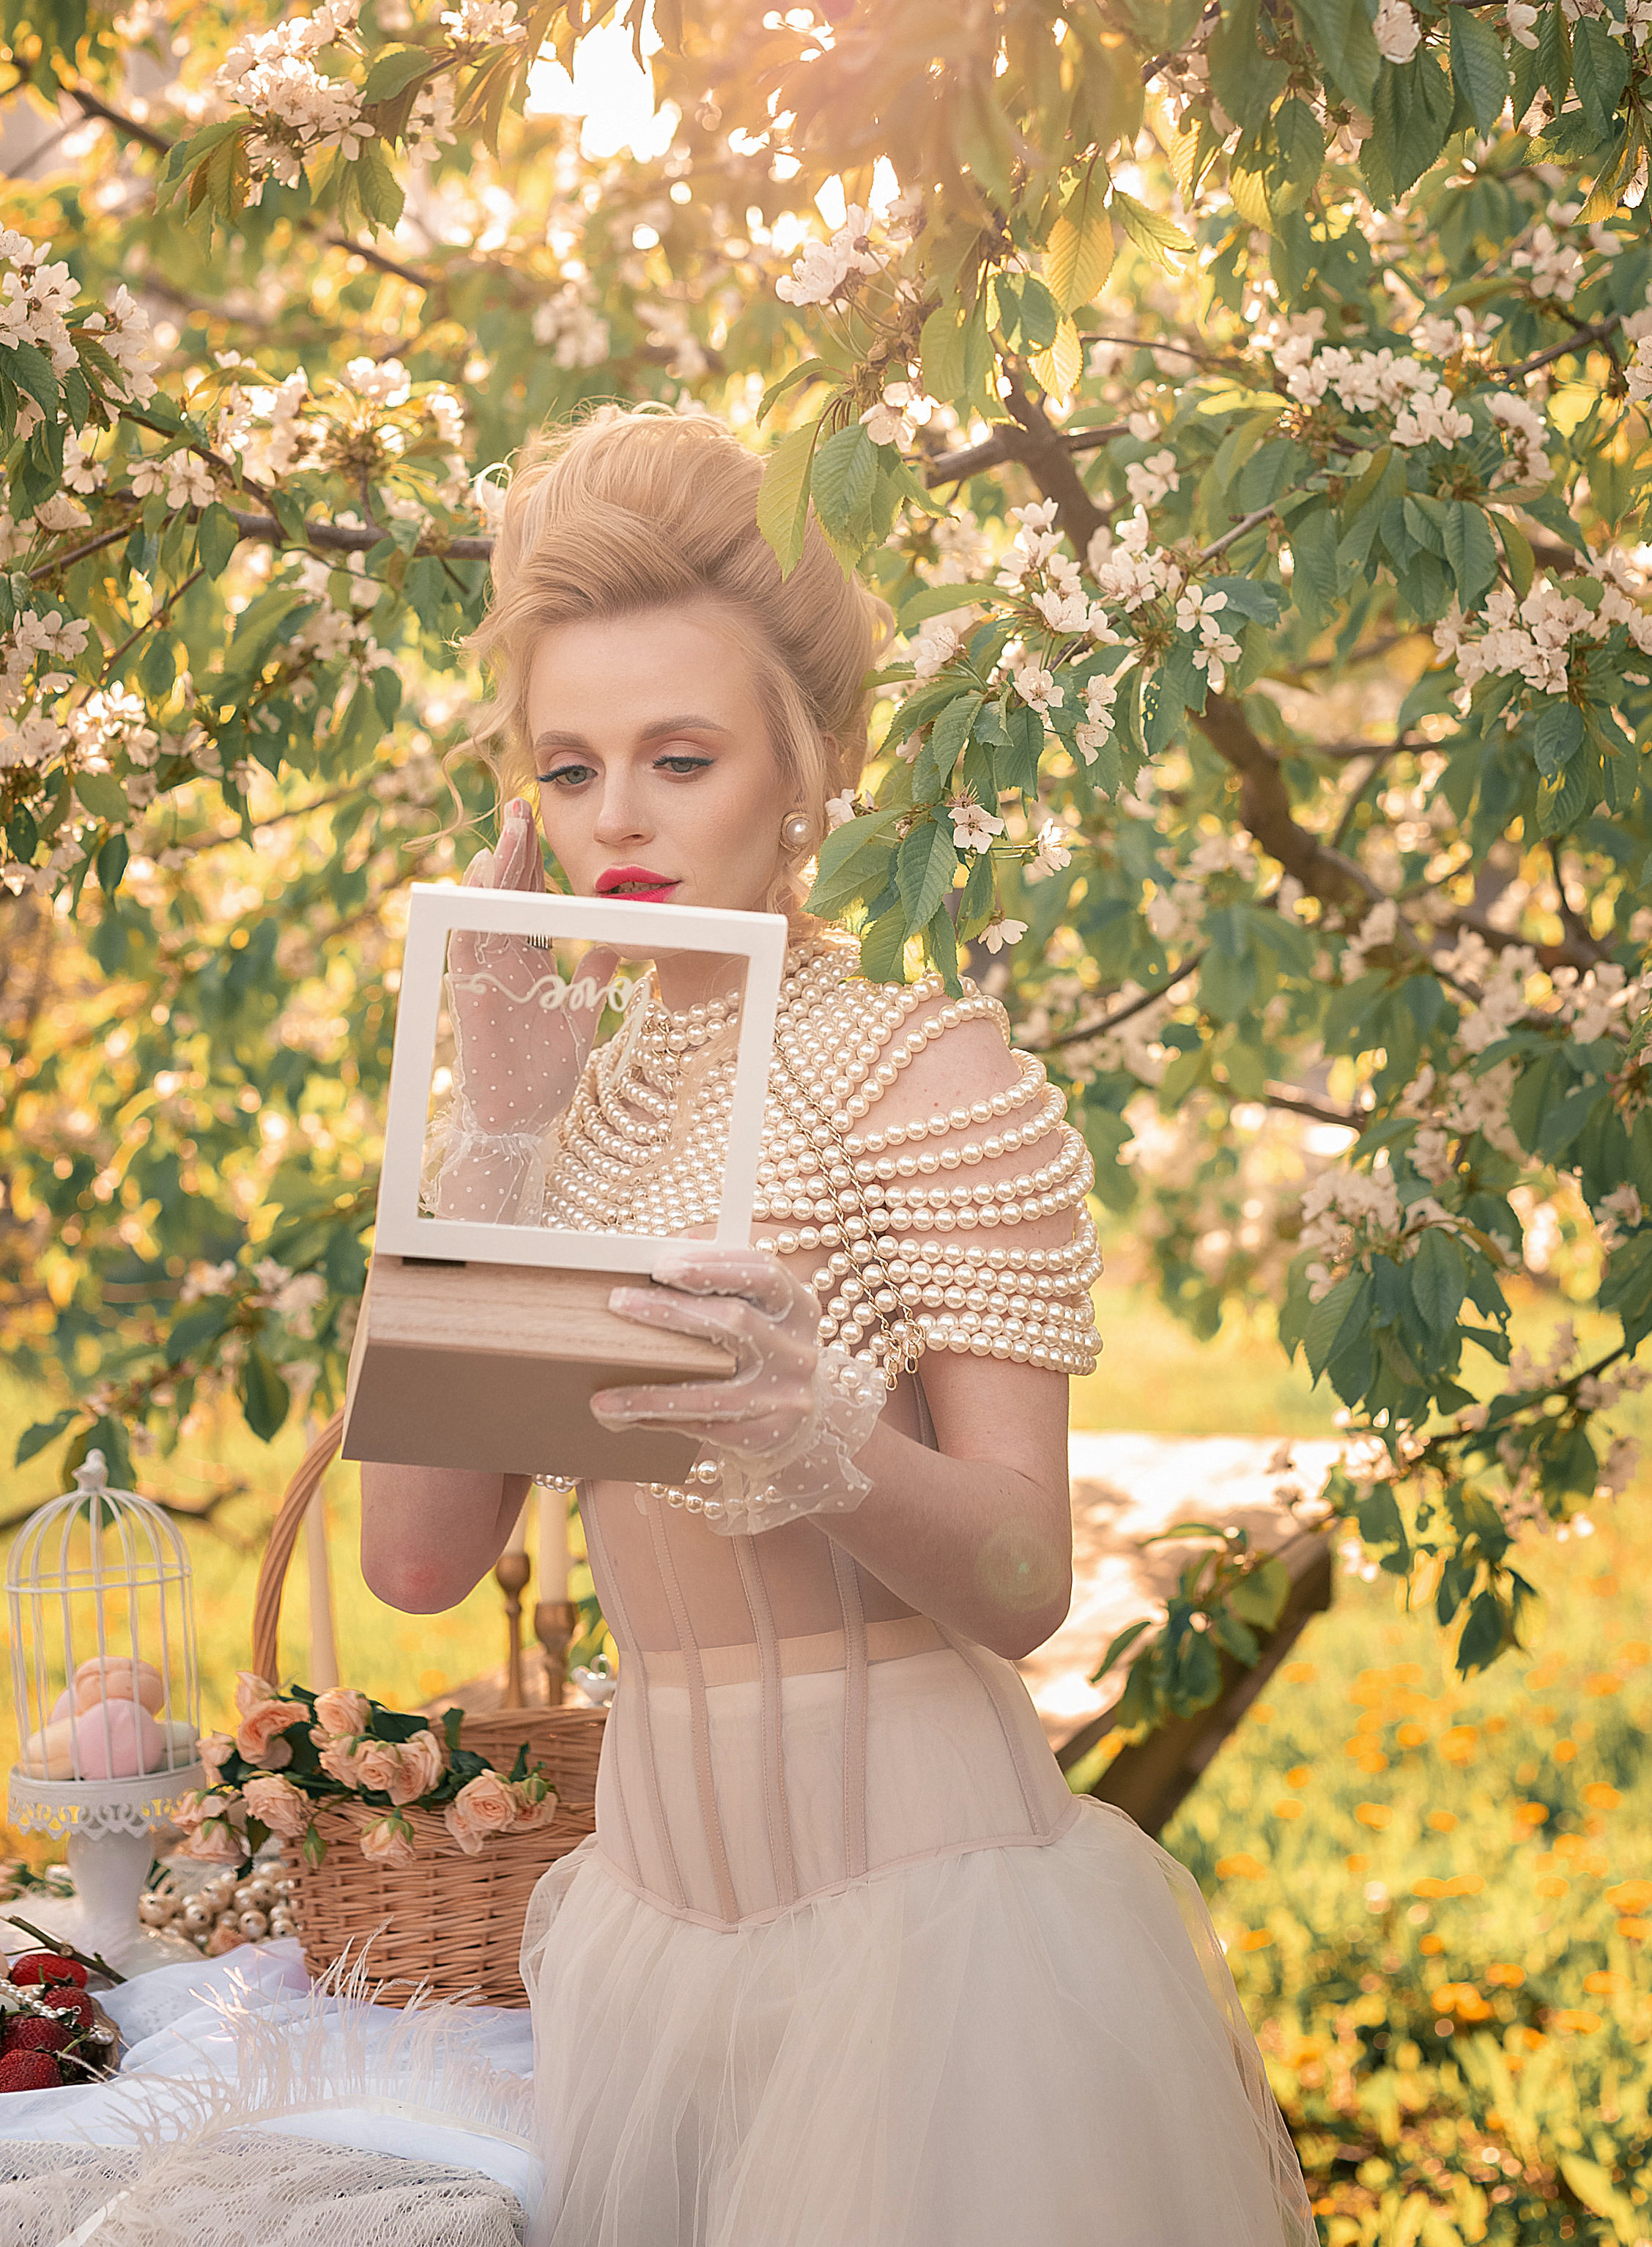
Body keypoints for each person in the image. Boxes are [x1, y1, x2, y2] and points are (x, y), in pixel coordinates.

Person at [360, 403, 1315, 2247]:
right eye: (567, 771)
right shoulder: (560, 1108)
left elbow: (1026, 1579)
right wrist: (484, 1139)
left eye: (680, 755)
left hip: (932, 1953)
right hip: (644, 1938)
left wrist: (819, 1436)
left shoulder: (921, 1070)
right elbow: (415, 1560)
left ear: (808, 766)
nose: (617, 818)